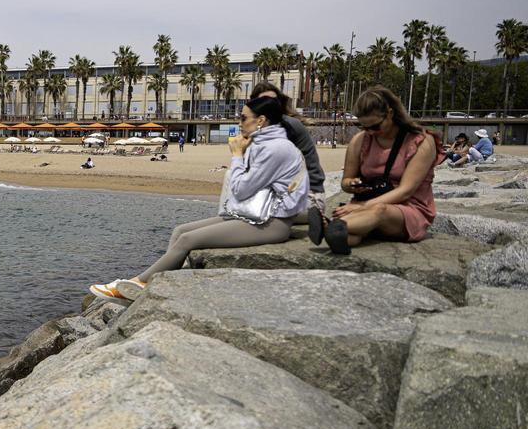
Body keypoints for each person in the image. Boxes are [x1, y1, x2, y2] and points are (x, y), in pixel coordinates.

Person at [89, 95, 308, 301]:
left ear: (261, 121)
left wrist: (238, 156)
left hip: (272, 223)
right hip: (256, 214)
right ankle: (159, 281)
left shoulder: (277, 149)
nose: (239, 123)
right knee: (180, 231)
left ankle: (139, 283)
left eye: (243, 118)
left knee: (187, 240)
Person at [310, 86, 440, 256]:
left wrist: (362, 206)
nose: (370, 132)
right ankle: (337, 235)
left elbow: (406, 191)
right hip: (365, 206)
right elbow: (346, 181)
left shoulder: (421, 141)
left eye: (375, 126)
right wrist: (352, 185)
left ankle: (329, 226)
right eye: (363, 127)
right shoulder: (360, 140)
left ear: (390, 113)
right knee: (351, 235)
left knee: (380, 210)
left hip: (407, 209)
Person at [249, 81, 324, 217]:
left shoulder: (288, 126)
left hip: (309, 197)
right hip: (286, 193)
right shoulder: (263, 129)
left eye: (274, 101)